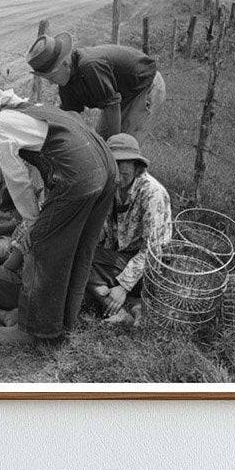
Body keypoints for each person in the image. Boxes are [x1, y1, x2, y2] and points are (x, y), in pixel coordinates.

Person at [0, 98, 118, 346]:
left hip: (78, 175)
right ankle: (64, 324)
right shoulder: (36, 110)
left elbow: (16, 177)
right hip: (106, 166)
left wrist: (32, 218)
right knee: (79, 249)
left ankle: (31, 330)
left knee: (43, 245)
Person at [88, 133, 172, 326]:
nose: (118, 170)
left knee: (82, 262)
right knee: (78, 254)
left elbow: (153, 251)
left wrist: (123, 287)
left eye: (123, 163)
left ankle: (118, 299)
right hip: (118, 258)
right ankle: (120, 304)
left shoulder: (152, 194)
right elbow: (104, 231)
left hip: (146, 270)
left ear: (136, 166)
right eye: (113, 163)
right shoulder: (112, 186)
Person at [26, 33, 165, 141]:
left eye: (52, 78)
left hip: (144, 86)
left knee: (125, 148)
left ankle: (133, 175)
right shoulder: (66, 81)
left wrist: (114, 147)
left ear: (65, 64)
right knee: (101, 142)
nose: (51, 83)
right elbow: (70, 115)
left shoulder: (90, 67)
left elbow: (112, 106)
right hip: (119, 95)